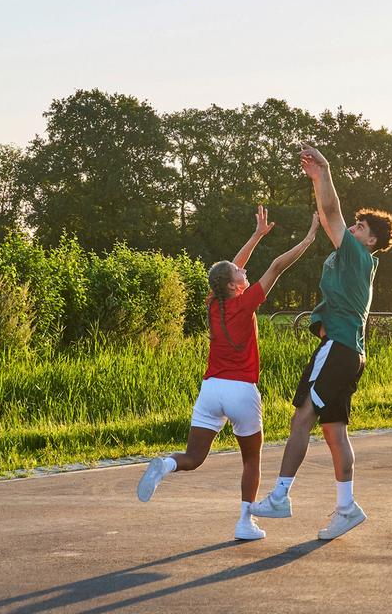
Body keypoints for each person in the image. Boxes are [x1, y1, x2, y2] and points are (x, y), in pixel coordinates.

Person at [137, 205, 320, 541]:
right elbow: (277, 266)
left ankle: (167, 465)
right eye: (240, 274)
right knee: (251, 460)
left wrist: (257, 235)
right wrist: (310, 237)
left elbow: (232, 268)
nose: (244, 272)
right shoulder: (245, 301)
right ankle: (244, 522)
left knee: (193, 457)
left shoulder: (214, 303)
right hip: (241, 392)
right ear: (234, 285)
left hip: (211, 391)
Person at [250, 142, 392, 540]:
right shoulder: (353, 259)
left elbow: (331, 212)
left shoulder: (358, 257)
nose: (352, 228)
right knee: (334, 432)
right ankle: (347, 508)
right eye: (355, 226)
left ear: (369, 241)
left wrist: (323, 172)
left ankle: (281, 496)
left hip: (339, 349)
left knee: (301, 416)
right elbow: (329, 216)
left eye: (360, 228)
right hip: (348, 351)